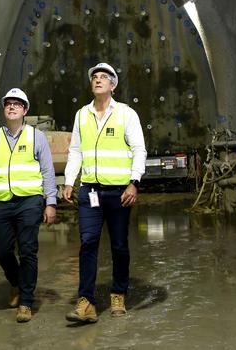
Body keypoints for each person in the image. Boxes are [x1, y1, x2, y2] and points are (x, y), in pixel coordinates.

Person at [63, 63, 147, 323]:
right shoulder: (81, 115)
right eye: (95, 77)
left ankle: (118, 293)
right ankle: (86, 301)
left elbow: (139, 150)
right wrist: (69, 181)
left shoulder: (126, 114)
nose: (98, 80)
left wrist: (134, 182)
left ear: (113, 85)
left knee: (119, 245)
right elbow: (75, 150)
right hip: (90, 191)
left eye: (103, 77)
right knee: (88, 242)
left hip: (119, 192)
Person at [0, 88, 57, 323]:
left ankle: (26, 302)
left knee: (28, 250)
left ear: (25, 110)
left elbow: (48, 171)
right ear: (4, 109)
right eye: (8, 103)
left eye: (17, 104)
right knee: (2, 250)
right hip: (0, 202)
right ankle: (18, 283)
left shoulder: (36, 137)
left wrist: (50, 202)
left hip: (30, 201)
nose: (11, 107)